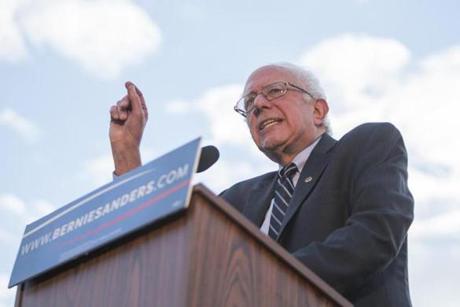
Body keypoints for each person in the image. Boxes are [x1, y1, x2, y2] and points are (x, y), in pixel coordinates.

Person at [109, 63, 414, 307]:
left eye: (275, 90)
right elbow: (163, 254)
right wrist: (126, 153)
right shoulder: (237, 199)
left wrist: (261, 281)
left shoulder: (367, 145)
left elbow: (375, 234)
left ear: (318, 110)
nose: (258, 105)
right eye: (250, 102)